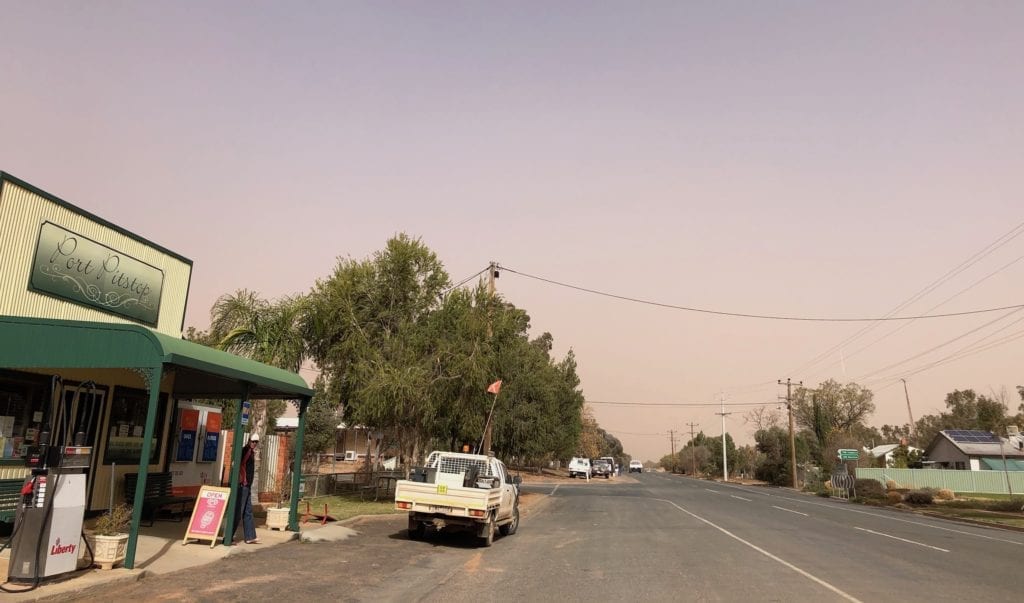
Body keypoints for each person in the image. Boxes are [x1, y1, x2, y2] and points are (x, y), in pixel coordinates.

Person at [234, 433, 260, 544]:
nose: (254, 444)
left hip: (247, 485)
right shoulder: (246, 451)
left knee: (248, 511)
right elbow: (238, 464)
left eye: (256, 442)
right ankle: (229, 535)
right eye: (253, 441)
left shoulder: (251, 452)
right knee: (239, 511)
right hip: (243, 484)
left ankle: (250, 536)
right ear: (249, 440)